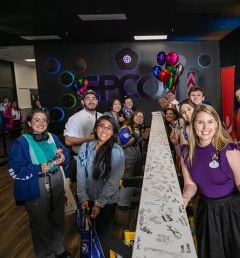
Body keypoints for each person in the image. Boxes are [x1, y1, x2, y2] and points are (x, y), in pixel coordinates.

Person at [179, 104, 240, 258]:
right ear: (193, 124)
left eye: (210, 121)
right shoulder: (186, 153)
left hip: (235, 210)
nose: (206, 127)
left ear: (217, 124)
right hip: (208, 211)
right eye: (200, 122)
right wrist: (185, 198)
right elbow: (190, 184)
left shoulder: (230, 150)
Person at [8, 109, 71, 258]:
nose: (41, 123)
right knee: (40, 224)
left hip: (56, 180)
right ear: (29, 123)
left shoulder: (52, 137)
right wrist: (37, 168)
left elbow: (66, 153)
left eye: (44, 120)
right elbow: (15, 170)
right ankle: (46, 255)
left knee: (58, 218)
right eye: (37, 120)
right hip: (35, 184)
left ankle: (58, 249)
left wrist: (64, 158)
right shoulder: (21, 143)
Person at [77, 115, 125, 255]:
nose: (104, 130)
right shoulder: (85, 147)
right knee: (88, 237)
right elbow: (80, 175)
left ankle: (129, 253)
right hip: (87, 200)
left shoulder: (116, 152)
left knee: (104, 239)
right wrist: (83, 198)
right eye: (101, 126)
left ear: (113, 132)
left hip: (107, 202)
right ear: (96, 128)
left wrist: (99, 203)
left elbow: (113, 181)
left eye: (109, 128)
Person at [118, 111, 147, 211]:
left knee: (134, 179)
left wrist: (141, 136)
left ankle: (131, 198)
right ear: (132, 117)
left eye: (141, 116)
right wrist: (134, 136)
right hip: (128, 159)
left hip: (135, 158)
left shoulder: (136, 128)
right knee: (128, 180)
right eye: (137, 116)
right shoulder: (126, 128)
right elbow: (125, 142)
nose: (139, 118)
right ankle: (122, 203)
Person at [64, 89, 102, 154]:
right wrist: (89, 139)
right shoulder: (74, 118)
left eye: (93, 99)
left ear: (97, 101)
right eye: (87, 99)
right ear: (82, 102)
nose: (91, 101)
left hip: (100, 156)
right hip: (82, 158)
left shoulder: (102, 116)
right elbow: (68, 141)